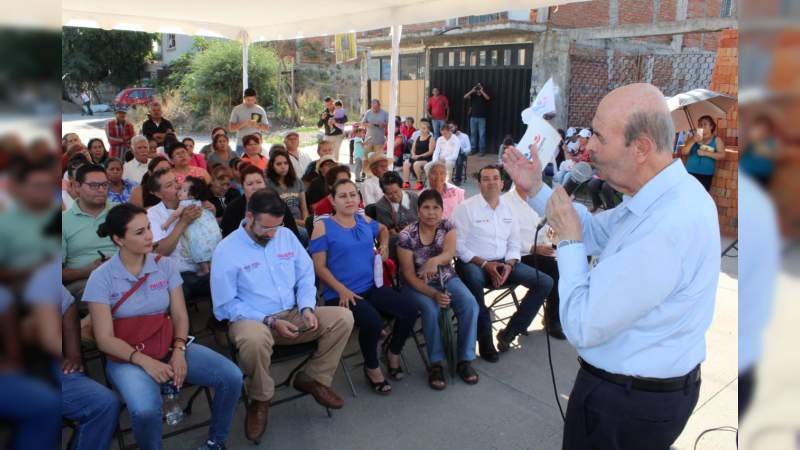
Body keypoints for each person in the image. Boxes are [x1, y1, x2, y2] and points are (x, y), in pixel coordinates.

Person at [503, 83, 717, 450]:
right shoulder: (657, 197)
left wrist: (567, 243)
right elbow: (595, 230)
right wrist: (536, 188)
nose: (589, 147)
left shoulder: (668, 223)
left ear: (641, 148)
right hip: (634, 393)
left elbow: (583, 324)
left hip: (627, 402)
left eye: (600, 136)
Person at [84, 203, 242, 450]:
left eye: (148, 228)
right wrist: (145, 361)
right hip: (128, 358)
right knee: (146, 410)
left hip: (168, 345)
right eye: (139, 232)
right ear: (118, 239)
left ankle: (216, 441)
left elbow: (179, 315)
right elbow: (104, 339)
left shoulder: (164, 265)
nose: (149, 235)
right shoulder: (101, 277)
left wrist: (178, 351)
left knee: (231, 376)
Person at [211, 190, 354, 441]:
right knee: (253, 340)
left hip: (293, 313)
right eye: (266, 228)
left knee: (343, 318)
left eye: (276, 227)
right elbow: (225, 304)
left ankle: (312, 378)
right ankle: (260, 398)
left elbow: (306, 276)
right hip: (253, 321)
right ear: (248, 217)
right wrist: (270, 321)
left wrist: (307, 307)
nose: (272, 234)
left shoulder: (285, 235)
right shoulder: (227, 249)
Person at [309, 179, 418, 395]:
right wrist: (341, 289)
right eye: (343, 196)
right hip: (341, 293)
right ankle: (372, 367)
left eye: (353, 194)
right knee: (373, 322)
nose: (349, 200)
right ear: (332, 200)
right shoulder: (323, 226)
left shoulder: (362, 219)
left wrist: (384, 245)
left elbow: (384, 229)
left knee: (410, 310)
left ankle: (393, 351)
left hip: (371, 286)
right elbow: (319, 267)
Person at [452, 165, 554, 363]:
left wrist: (509, 264)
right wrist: (485, 265)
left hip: (503, 262)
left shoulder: (508, 209)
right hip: (473, 263)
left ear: (502, 183)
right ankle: (485, 340)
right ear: (479, 183)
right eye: (486, 178)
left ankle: (510, 332)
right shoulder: (465, 208)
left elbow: (514, 243)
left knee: (545, 282)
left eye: (495, 178)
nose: (491, 182)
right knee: (473, 282)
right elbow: (458, 246)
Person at [397, 190, 479, 389]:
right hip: (416, 285)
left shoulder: (447, 226)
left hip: (446, 278)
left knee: (470, 304)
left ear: (442, 210)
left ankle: (464, 359)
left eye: (436, 208)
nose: (431, 212)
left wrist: (434, 260)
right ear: (418, 210)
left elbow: (450, 253)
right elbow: (408, 275)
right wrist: (433, 294)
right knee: (431, 309)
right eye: (426, 207)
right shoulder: (407, 235)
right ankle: (435, 363)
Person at [502, 182, 564, 340]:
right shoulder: (506, 202)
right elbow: (504, 237)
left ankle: (556, 314)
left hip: (543, 249)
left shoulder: (538, 201)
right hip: (521, 253)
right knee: (555, 270)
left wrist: (552, 236)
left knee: (574, 260)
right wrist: (532, 248)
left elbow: (544, 229)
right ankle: (553, 319)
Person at [146, 169, 214, 304]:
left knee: (229, 280)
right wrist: (183, 222)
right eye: (169, 185)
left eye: (176, 181)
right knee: (181, 291)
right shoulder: (153, 214)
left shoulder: (196, 202)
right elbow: (160, 252)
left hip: (206, 265)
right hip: (178, 273)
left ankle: (217, 322)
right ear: (158, 194)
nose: (177, 186)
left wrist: (209, 215)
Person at [62, 164, 120, 297]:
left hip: (124, 272)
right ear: (77, 186)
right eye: (93, 185)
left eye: (105, 185)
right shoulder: (62, 222)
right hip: (84, 281)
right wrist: (87, 271)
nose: (101, 190)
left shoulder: (121, 212)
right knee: (105, 294)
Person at [160, 176, 222, 276]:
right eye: (181, 189)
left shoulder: (184, 203)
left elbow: (176, 214)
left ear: (192, 195)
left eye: (184, 190)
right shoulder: (199, 202)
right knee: (207, 247)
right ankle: (210, 267)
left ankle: (204, 269)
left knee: (197, 246)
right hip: (207, 230)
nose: (179, 191)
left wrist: (166, 224)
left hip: (195, 230)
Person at [221, 164, 301, 240]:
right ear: (243, 187)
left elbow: (293, 233)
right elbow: (229, 237)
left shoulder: (278, 204)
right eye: (250, 184)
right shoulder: (232, 209)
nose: (255, 187)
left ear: (265, 184)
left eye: (259, 182)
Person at [266, 149, 309, 232]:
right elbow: (273, 214)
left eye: (286, 163)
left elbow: (304, 208)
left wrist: (306, 222)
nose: (283, 166)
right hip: (282, 225)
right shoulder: (268, 185)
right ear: (272, 166)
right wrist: (299, 223)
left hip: (301, 222)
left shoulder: (297, 181)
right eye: (278, 164)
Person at [680, 115, 726, 191]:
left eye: (705, 124)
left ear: (711, 126)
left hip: (705, 175)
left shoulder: (716, 140)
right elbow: (684, 152)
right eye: (700, 125)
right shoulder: (692, 138)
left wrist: (706, 153)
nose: (702, 126)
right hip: (689, 172)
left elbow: (722, 155)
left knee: (701, 198)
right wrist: (693, 141)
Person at [374, 171, 418, 246]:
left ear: (401, 187)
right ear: (384, 193)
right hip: (397, 242)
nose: (394, 196)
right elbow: (390, 232)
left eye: (396, 192)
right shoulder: (381, 206)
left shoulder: (414, 197)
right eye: (389, 194)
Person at [230, 87, 270, 155]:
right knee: (240, 165)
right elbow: (231, 128)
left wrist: (257, 125)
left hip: (256, 145)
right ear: (244, 98)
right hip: (241, 145)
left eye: (252, 100)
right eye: (248, 100)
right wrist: (244, 124)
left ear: (255, 99)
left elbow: (266, 129)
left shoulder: (260, 110)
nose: (250, 102)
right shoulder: (236, 109)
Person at [402, 120, 435, 190]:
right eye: (421, 128)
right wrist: (413, 154)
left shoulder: (431, 138)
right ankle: (406, 182)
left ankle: (419, 181)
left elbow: (430, 152)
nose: (422, 130)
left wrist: (419, 156)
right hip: (416, 157)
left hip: (426, 158)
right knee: (406, 163)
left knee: (416, 164)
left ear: (428, 129)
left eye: (424, 128)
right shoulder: (417, 138)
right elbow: (413, 149)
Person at [463, 83, 490, 156]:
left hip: (482, 117)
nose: (478, 88)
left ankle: (482, 150)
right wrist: (472, 91)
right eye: (477, 87)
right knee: (473, 134)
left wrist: (482, 91)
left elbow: (488, 98)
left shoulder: (483, 95)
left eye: (479, 87)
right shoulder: (473, 95)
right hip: (473, 117)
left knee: (482, 134)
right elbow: (465, 96)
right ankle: (473, 149)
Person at [318, 97, 347, 162]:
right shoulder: (323, 113)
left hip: (338, 135)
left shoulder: (339, 110)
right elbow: (319, 125)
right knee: (325, 153)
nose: (330, 106)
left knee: (336, 153)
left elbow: (345, 119)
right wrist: (322, 119)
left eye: (331, 104)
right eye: (327, 105)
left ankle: (335, 168)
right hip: (328, 136)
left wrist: (336, 120)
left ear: (333, 103)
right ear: (325, 105)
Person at [450, 121, 471, 186]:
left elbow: (469, 149)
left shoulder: (464, 136)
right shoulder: (448, 136)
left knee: (459, 159)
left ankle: (458, 180)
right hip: (450, 154)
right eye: (449, 128)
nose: (450, 129)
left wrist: (462, 149)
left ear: (456, 127)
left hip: (461, 154)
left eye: (451, 127)